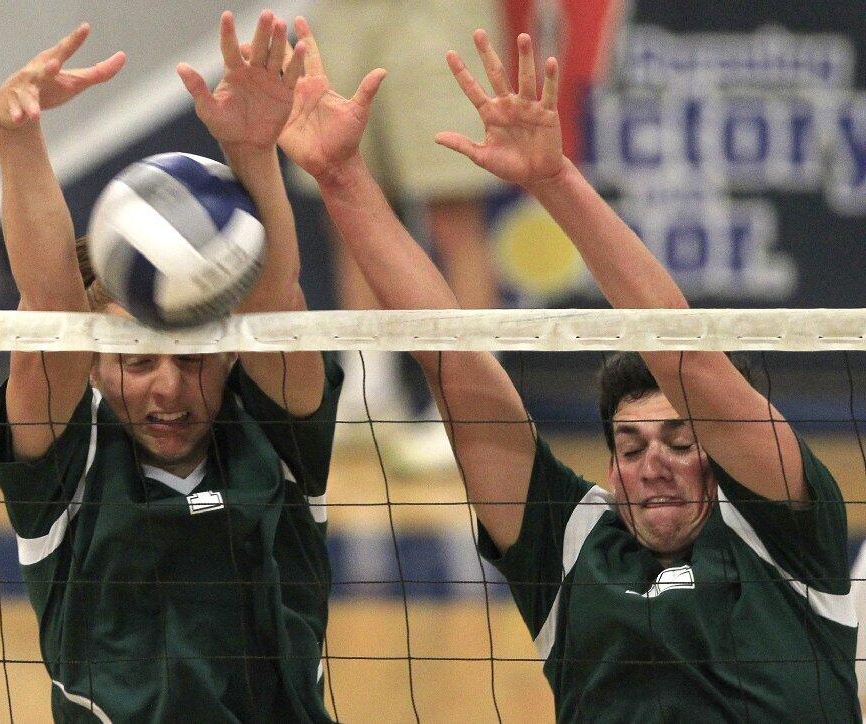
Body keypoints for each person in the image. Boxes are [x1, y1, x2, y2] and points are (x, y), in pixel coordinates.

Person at [279, 18, 859, 721]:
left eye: (680, 443)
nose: (654, 464)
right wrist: (341, 179)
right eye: (632, 447)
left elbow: (688, 356)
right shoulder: (572, 547)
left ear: (722, 459)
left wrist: (554, 181)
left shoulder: (786, 531)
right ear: (611, 470)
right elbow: (455, 366)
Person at [0, 13, 341, 722]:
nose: (169, 388)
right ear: (91, 364)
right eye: (136, 361)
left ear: (231, 351)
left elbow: (273, 301)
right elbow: (51, 307)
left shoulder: (278, 445)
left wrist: (250, 149)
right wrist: (17, 139)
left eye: (195, 360)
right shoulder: (68, 470)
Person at [289, 1, 505, 453]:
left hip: (436, 14)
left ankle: (476, 407)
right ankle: (370, 388)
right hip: (342, 13)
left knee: (452, 214)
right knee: (344, 192)